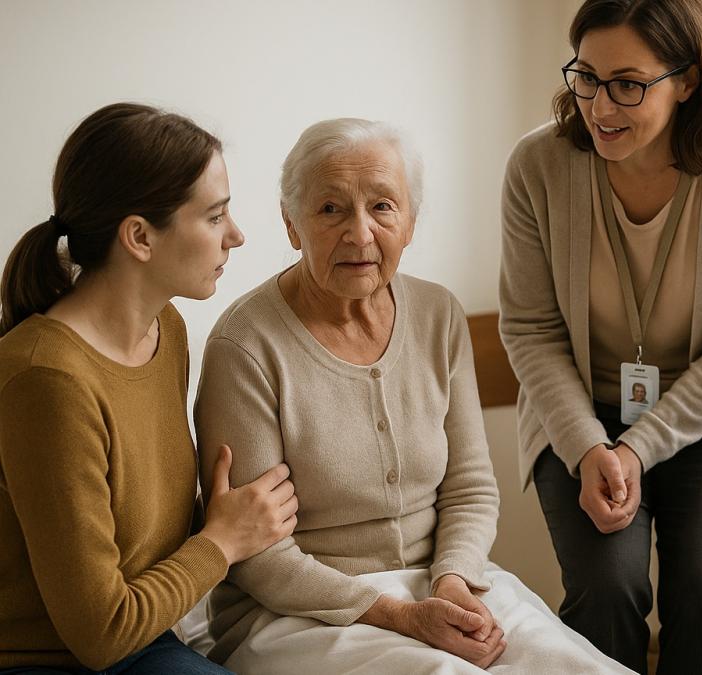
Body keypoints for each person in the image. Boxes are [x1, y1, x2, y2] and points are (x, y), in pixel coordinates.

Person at [193, 118, 632, 674]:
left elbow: (470, 486)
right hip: (296, 614)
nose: (359, 233)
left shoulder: (438, 316)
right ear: (292, 225)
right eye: (330, 209)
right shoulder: (246, 346)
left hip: (444, 581)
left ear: (410, 223)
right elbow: (257, 556)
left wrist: (451, 579)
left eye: (382, 207)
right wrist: (401, 616)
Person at [498, 0, 702, 672]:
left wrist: (637, 448)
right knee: (606, 587)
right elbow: (531, 328)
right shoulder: (537, 166)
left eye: (628, 84)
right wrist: (588, 445)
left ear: (687, 80)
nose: (600, 107)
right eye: (586, 77)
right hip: (578, 412)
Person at [0, 103, 297, 673]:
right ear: (139, 236)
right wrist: (224, 541)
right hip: (50, 658)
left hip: (148, 640)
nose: (235, 236)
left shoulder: (167, 329)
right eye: (214, 217)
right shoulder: (47, 381)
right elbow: (102, 633)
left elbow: (147, 535)